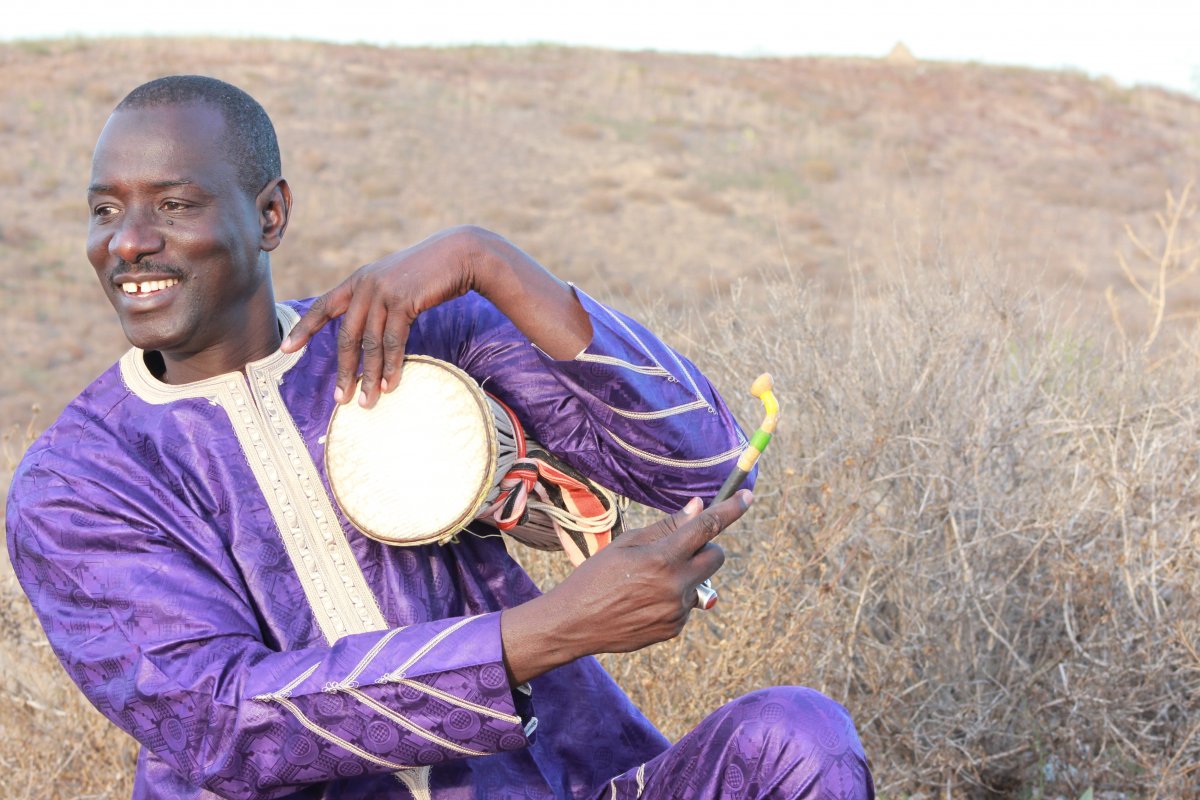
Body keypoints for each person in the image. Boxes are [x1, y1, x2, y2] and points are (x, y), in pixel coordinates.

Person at [6, 76, 874, 799]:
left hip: (552, 784)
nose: (129, 241)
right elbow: (224, 719)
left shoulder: (406, 333)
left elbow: (704, 459)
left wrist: (486, 261)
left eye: (175, 203)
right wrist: (551, 631)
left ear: (270, 214)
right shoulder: (78, 481)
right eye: (105, 209)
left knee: (798, 740)